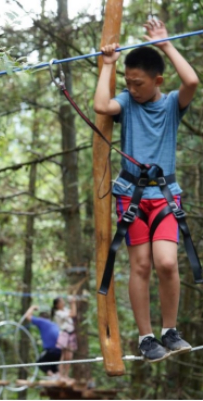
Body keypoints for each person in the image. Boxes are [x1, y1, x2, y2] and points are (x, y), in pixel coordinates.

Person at [94, 19, 198, 362]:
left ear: (157, 81)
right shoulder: (126, 101)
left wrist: (165, 44)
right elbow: (101, 106)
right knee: (140, 266)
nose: (132, 88)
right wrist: (108, 66)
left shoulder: (170, 105)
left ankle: (170, 330)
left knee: (167, 263)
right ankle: (146, 338)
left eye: (138, 83)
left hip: (165, 196)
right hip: (132, 196)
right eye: (128, 82)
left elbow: (192, 80)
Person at [23, 305, 61, 379]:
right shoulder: (53, 324)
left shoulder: (42, 322)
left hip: (51, 350)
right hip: (59, 351)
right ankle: (57, 376)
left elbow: (27, 316)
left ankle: (53, 376)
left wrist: (32, 307)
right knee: (53, 365)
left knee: (40, 362)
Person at [51, 297, 76, 380]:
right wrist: (72, 303)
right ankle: (61, 375)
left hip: (71, 333)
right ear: (57, 305)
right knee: (64, 355)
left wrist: (73, 303)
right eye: (61, 301)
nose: (63, 302)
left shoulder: (65, 310)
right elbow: (72, 314)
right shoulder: (58, 313)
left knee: (69, 356)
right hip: (64, 334)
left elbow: (74, 313)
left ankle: (66, 375)